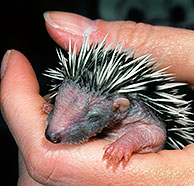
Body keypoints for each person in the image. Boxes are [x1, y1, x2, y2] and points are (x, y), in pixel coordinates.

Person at [1, 11, 194, 186]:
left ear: (120, 108)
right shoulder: (89, 96)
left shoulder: (141, 116)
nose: (53, 132)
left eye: (92, 116)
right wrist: (55, 108)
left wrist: (126, 144)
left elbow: (155, 134)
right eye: (61, 102)